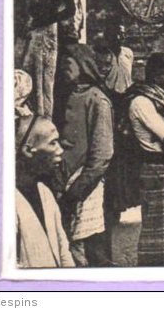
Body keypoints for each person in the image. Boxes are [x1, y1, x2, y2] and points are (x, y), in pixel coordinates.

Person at [57, 44, 115, 267]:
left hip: (84, 184)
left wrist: (77, 190)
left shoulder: (97, 99)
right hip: (66, 180)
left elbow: (103, 154)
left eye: (68, 62)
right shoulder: (69, 95)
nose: (63, 67)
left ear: (83, 64)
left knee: (89, 247)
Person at [127, 53, 164, 266]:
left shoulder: (159, 99)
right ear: (156, 76)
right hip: (154, 168)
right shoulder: (141, 101)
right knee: (155, 228)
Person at [15, 114, 74, 268]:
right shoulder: (5, 202)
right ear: (28, 150)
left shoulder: (45, 193)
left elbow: (63, 251)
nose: (60, 150)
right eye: (52, 143)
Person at [101, 20, 134, 95]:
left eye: (123, 34)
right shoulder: (102, 56)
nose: (123, 37)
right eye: (119, 34)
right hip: (109, 96)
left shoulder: (128, 53)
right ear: (109, 35)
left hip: (127, 96)